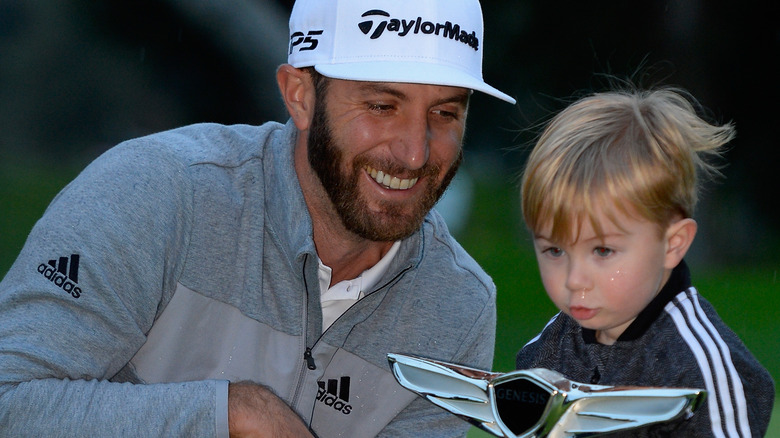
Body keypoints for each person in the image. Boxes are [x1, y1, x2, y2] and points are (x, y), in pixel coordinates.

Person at [0, 0, 516, 436]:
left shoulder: (459, 306)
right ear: (301, 96)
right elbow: (10, 401)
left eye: (445, 113)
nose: (413, 153)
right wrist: (230, 412)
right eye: (382, 106)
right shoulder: (157, 191)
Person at [514, 87, 775, 436]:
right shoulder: (546, 352)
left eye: (603, 251)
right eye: (555, 251)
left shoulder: (697, 370)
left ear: (672, 245)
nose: (575, 279)